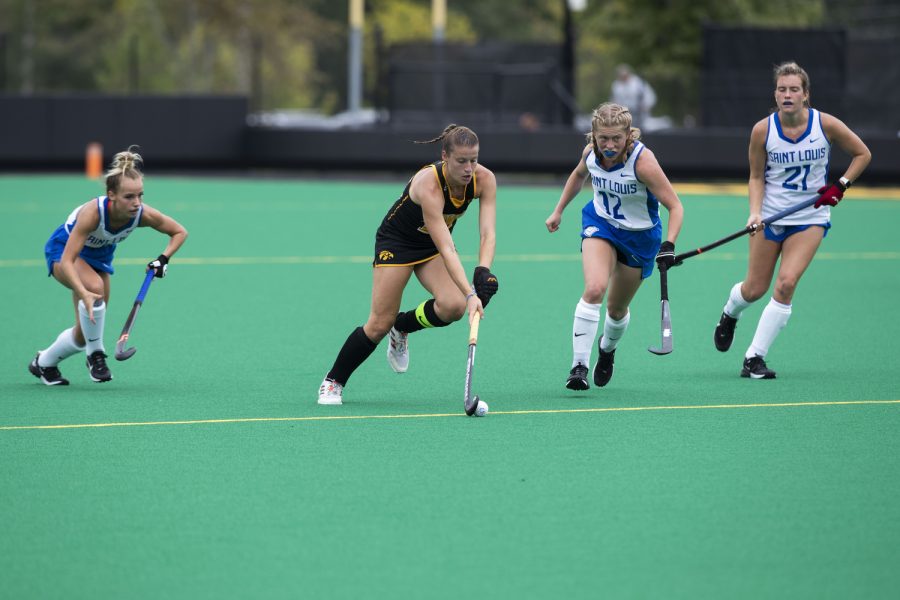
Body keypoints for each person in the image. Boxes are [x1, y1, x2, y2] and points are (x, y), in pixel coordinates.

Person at [317, 124, 499, 405]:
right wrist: (470, 292)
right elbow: (447, 248)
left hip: (430, 246)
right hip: (398, 243)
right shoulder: (429, 184)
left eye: (473, 160)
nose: (468, 168)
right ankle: (333, 381)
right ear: (444, 156)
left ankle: (402, 327)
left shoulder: (484, 180)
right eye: (461, 161)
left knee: (453, 306)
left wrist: (483, 272)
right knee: (378, 323)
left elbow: (488, 233)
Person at [712, 61, 871, 379]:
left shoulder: (825, 125)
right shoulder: (762, 130)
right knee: (754, 289)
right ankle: (730, 313)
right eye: (782, 89)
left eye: (794, 89)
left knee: (785, 284)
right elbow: (756, 177)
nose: (787, 94)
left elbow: (863, 154)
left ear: (805, 94)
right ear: (776, 94)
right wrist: (755, 212)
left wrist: (841, 185)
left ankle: (754, 357)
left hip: (810, 217)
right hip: (771, 216)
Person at [545, 102, 683, 390]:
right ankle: (578, 366)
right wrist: (559, 210)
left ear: (628, 136)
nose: (608, 145)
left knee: (616, 310)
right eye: (602, 138)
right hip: (601, 224)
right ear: (593, 135)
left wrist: (669, 243)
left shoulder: (642, 162)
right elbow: (578, 176)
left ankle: (607, 350)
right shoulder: (591, 154)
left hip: (640, 238)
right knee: (595, 288)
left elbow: (675, 206)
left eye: (616, 139)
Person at [29, 146, 188, 385]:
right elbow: (68, 260)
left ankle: (44, 363)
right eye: (129, 197)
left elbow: (179, 232)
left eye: (140, 195)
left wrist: (162, 259)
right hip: (63, 252)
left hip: (99, 258)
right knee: (94, 290)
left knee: (84, 333)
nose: (137, 203)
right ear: (111, 194)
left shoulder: (141, 214)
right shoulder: (93, 213)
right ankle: (96, 356)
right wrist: (82, 291)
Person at [610, 64, 656, 130]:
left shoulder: (639, 83)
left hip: (640, 115)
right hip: (624, 116)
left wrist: (646, 105)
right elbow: (614, 100)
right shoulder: (616, 85)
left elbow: (650, 96)